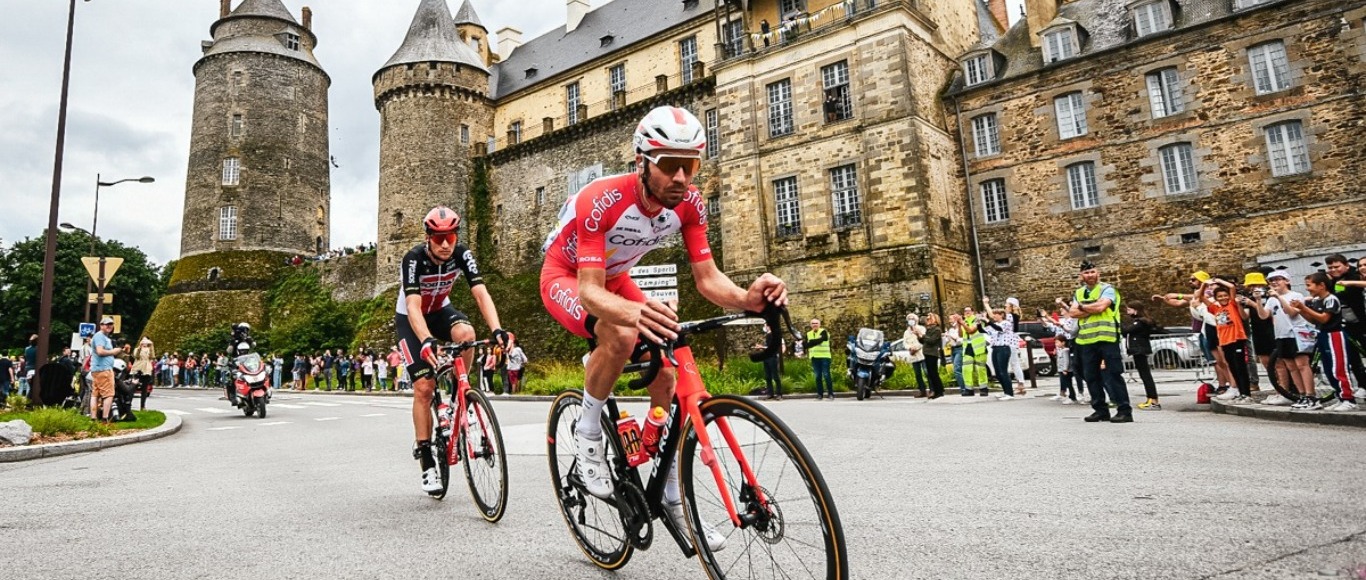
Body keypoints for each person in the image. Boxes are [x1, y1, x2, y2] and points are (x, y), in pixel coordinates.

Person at [538, 106, 786, 552]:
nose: (680, 177)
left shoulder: (689, 204)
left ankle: (673, 499)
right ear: (642, 162)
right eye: (669, 164)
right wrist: (633, 314)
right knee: (621, 334)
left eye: (689, 165)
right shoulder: (601, 200)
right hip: (567, 277)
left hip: (616, 280)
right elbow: (591, 292)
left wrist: (750, 298)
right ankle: (588, 434)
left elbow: (708, 280)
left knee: (668, 370)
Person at [396, 205, 510, 495]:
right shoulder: (413, 259)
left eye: (451, 237)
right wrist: (425, 339)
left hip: (441, 311)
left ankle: (463, 394)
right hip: (413, 319)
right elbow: (412, 306)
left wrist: (497, 329)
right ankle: (426, 460)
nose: (446, 244)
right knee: (424, 387)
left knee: (467, 334)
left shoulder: (462, 254)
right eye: (438, 238)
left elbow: (481, 294)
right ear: (428, 237)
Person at [1068, 261, 1132, 423]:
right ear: (1081, 276)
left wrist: (1083, 308)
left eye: (1092, 272)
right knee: (1090, 375)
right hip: (1086, 340)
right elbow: (1072, 313)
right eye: (1086, 273)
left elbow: (1101, 308)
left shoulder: (1107, 289)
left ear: (1098, 273)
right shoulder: (1079, 292)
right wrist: (1088, 307)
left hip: (1107, 337)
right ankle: (1100, 410)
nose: (1090, 275)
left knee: (1113, 374)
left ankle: (1124, 410)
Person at [1293, 272, 1357, 411]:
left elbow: (1324, 319)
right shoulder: (1316, 301)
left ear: (1321, 285)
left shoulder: (1331, 299)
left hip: (1334, 335)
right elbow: (1314, 320)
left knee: (1338, 367)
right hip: (1322, 334)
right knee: (1328, 368)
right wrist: (1301, 311)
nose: (1307, 289)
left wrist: (1304, 308)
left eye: (1309, 285)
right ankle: (1339, 396)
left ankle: (1348, 399)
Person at [1251, 270, 1313, 407]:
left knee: (1302, 365)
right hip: (1281, 334)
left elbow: (1292, 312)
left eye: (1278, 279)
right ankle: (1300, 395)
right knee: (1291, 367)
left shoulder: (1296, 295)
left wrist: (1279, 297)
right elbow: (1263, 316)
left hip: (1296, 334)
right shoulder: (1271, 299)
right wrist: (1258, 301)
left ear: (1287, 281)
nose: (1274, 282)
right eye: (1271, 280)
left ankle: (1310, 395)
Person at [1199, 278, 1254, 404]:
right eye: (1220, 296)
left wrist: (1218, 280)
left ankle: (1246, 393)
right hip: (1224, 341)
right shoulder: (1215, 309)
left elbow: (1232, 287)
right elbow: (1201, 297)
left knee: (1241, 367)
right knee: (1233, 367)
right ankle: (1240, 392)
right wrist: (1204, 284)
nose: (1223, 298)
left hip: (1237, 339)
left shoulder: (1233, 305)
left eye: (1225, 295)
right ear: (1216, 298)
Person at [1325, 254, 1366, 397]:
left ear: (1346, 266)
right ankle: (1363, 384)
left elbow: (1347, 295)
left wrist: (1348, 284)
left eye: (1337, 267)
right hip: (1347, 322)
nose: (1333, 270)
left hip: (1361, 320)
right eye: (1330, 267)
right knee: (1353, 356)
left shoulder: (1354, 276)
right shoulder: (1334, 280)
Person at [1123, 303, 1161, 410]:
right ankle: (1151, 398)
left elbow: (1126, 331)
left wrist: (1118, 324)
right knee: (1144, 375)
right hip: (1138, 350)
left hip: (1140, 350)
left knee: (1145, 375)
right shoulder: (1139, 321)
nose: (1127, 312)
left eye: (1129, 309)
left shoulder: (1140, 322)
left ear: (1135, 310)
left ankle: (1153, 400)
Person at [980, 297, 1015, 400]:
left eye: (996, 314)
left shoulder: (1006, 323)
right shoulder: (994, 325)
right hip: (995, 348)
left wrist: (988, 321)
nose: (993, 316)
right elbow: (983, 331)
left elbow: (999, 329)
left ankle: (1010, 393)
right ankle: (1005, 392)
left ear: (1001, 315)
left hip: (1003, 348)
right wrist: (979, 323)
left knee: (1003, 371)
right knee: (998, 372)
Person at [89, 317, 123, 422]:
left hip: (97, 369)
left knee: (95, 394)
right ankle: (105, 418)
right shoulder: (100, 336)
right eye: (106, 324)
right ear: (101, 325)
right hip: (104, 370)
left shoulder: (102, 336)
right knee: (109, 394)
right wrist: (114, 351)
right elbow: (100, 351)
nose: (109, 326)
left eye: (111, 324)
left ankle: (93, 418)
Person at [960, 307, 989, 397]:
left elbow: (971, 331)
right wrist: (959, 324)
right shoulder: (964, 321)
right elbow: (960, 334)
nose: (967, 312)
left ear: (973, 312)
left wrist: (961, 323)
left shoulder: (978, 320)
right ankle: (969, 389)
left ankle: (983, 389)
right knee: (966, 369)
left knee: (981, 369)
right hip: (967, 347)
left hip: (979, 347)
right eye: (965, 311)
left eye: (969, 310)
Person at [805, 318, 833, 400]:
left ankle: (830, 394)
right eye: (813, 323)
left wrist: (811, 342)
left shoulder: (824, 332)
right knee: (817, 376)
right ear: (810, 325)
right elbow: (805, 345)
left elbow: (821, 340)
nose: (815, 324)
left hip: (825, 356)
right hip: (814, 357)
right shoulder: (808, 334)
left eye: (816, 323)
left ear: (819, 324)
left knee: (826, 375)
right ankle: (820, 395)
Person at [756, 324, 785, 399]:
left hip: (772, 357)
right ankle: (770, 393)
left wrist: (761, 347)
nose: (765, 327)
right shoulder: (768, 335)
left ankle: (779, 393)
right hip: (766, 357)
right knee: (767, 376)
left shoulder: (773, 335)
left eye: (766, 326)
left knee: (775, 376)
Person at [920, 314, 945, 399]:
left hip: (932, 353)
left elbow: (931, 341)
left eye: (930, 318)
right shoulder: (929, 329)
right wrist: (919, 336)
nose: (928, 319)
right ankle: (938, 390)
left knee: (933, 373)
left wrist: (923, 336)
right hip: (927, 352)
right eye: (928, 318)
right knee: (931, 373)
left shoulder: (937, 329)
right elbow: (924, 341)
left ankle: (939, 391)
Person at [902, 314, 927, 397]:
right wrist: (910, 348)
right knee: (917, 374)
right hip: (913, 355)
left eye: (912, 318)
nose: (911, 320)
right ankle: (922, 390)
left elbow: (923, 340)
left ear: (916, 320)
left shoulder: (921, 329)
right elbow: (905, 343)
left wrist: (916, 348)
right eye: (909, 319)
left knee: (926, 372)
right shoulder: (906, 332)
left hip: (921, 353)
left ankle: (932, 389)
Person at [131, 338, 155, 410]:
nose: (145, 343)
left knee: (144, 389)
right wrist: (140, 347)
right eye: (143, 341)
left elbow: (152, 357)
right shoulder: (137, 349)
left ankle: (142, 406)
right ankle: (129, 404)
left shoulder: (149, 349)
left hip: (146, 369)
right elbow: (135, 355)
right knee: (133, 387)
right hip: (138, 368)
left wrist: (151, 346)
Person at [944, 314, 964, 393]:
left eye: (951, 319)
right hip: (953, 349)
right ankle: (963, 387)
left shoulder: (961, 328)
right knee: (956, 369)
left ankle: (963, 388)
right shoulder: (951, 330)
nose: (949, 321)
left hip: (960, 348)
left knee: (957, 369)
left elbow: (959, 340)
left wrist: (951, 336)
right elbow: (947, 341)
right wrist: (947, 337)